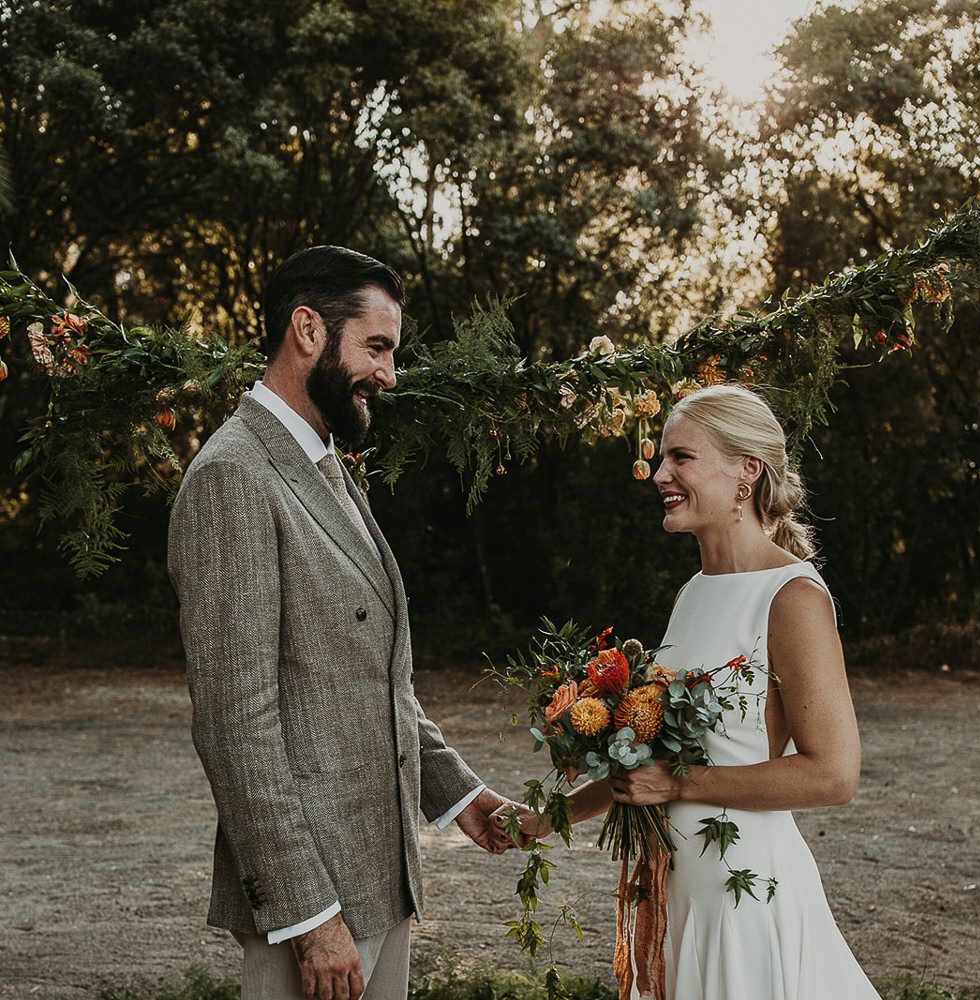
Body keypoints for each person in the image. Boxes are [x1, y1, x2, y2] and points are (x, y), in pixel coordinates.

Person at [168, 245, 514, 1000]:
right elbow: (234, 724)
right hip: (315, 906)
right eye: (378, 347)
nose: (390, 374)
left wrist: (458, 795)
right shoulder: (233, 476)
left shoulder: (325, 462)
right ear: (308, 330)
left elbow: (362, 675)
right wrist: (309, 915)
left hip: (381, 877)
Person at [498, 384, 880, 999]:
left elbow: (834, 775)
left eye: (681, 457)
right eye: (661, 459)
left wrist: (680, 787)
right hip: (677, 887)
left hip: (743, 888)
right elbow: (654, 765)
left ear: (745, 472)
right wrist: (546, 820)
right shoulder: (693, 592)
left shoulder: (792, 598)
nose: (659, 473)